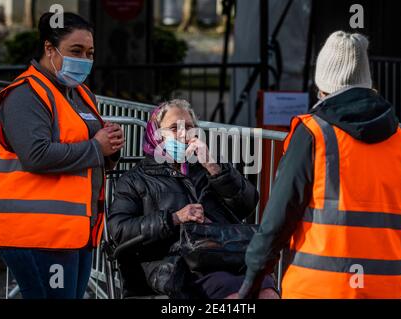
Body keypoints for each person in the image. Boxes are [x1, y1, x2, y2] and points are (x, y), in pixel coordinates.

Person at [238, 31, 401, 299]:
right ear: (368, 85)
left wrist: (252, 281)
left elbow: (278, 220)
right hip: (385, 290)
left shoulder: (314, 134)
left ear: (323, 88)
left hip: (315, 290)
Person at [0, 12, 125, 299]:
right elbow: (36, 155)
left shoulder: (80, 94)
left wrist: (110, 147)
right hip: (37, 234)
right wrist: (97, 147)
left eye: (90, 53)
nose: (85, 59)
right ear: (50, 48)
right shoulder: (25, 95)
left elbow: (90, 153)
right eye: (76, 51)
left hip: (74, 232)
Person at [107, 99, 279, 299]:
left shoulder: (208, 167)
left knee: (265, 288)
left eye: (189, 127)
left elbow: (247, 205)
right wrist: (174, 218)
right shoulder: (136, 179)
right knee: (233, 290)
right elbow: (118, 229)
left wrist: (215, 169)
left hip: (223, 254)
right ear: (156, 134)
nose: (183, 134)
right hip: (175, 264)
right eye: (174, 128)